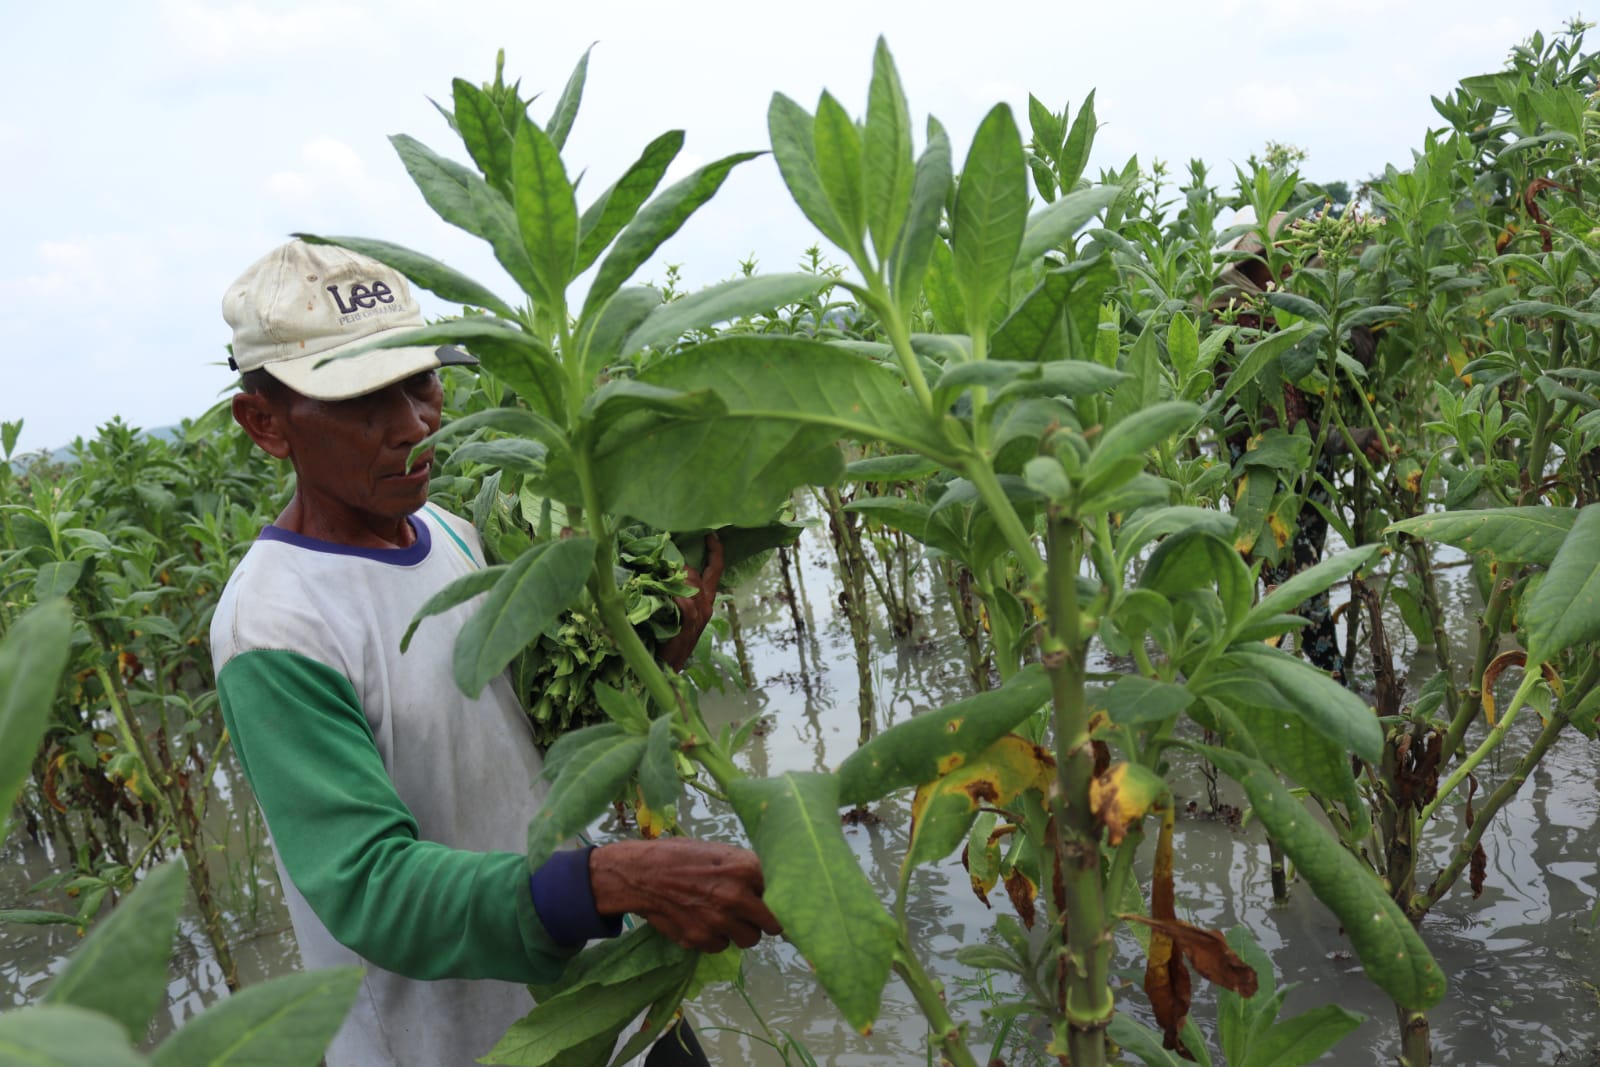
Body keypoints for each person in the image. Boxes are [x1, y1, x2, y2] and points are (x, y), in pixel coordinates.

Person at [210, 240, 780, 1067]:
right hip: (449, 1044)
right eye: (365, 400)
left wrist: (657, 661)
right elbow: (371, 886)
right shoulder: (275, 624)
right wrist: (608, 879)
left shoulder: (450, 533)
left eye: (420, 381)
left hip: (589, 995)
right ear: (265, 422)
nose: (415, 424)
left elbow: (511, 746)